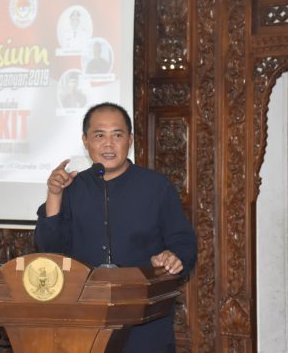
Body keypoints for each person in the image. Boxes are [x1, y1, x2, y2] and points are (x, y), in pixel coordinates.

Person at [35, 102, 197, 353]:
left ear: (129, 140)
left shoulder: (156, 187)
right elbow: (48, 251)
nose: (108, 144)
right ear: (86, 141)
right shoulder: (72, 188)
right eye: (99, 135)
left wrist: (173, 257)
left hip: (145, 324)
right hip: (84, 321)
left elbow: (184, 243)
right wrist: (55, 194)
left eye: (117, 135)